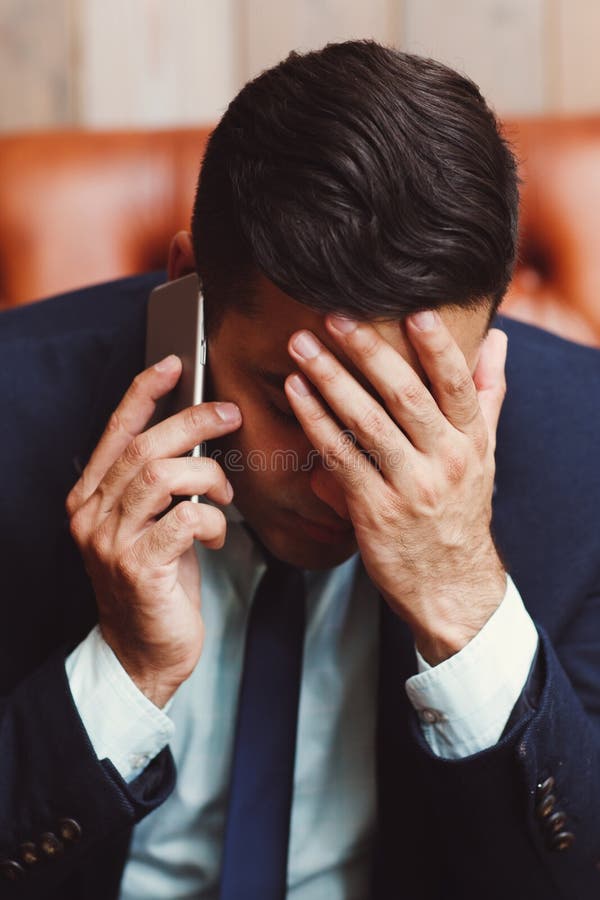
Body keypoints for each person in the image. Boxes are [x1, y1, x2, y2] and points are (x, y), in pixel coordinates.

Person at [0, 40, 599, 900]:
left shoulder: (587, 458)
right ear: (187, 296)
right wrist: (123, 670)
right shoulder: (13, 417)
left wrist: (463, 597)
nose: (342, 484)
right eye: (295, 400)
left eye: (404, 409)